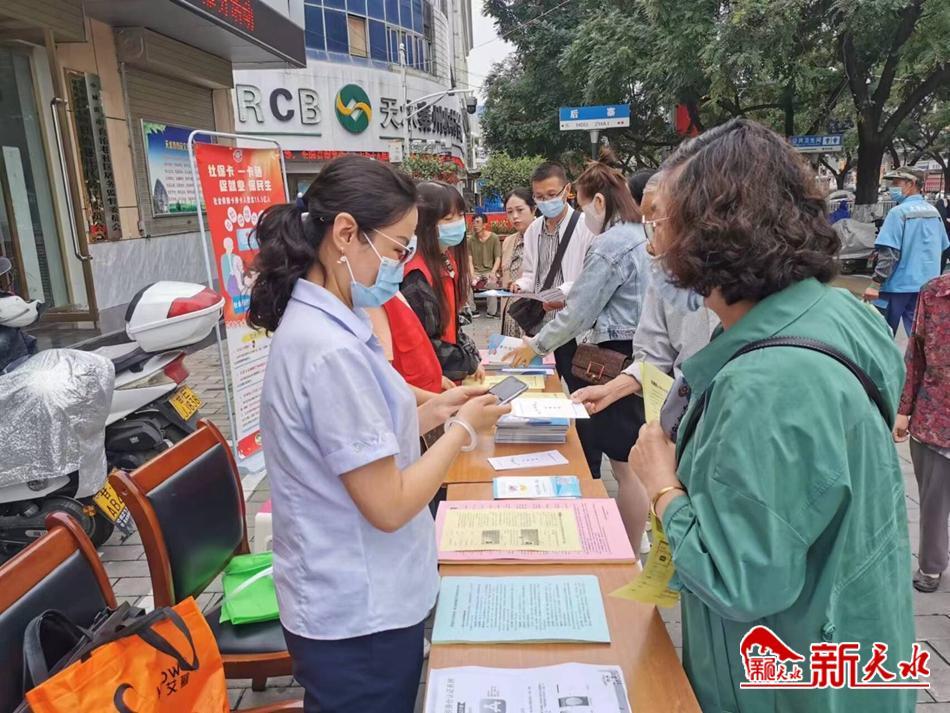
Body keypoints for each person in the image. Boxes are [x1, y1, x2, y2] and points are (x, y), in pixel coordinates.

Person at [628, 119, 914, 712]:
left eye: (661, 223)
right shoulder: (834, 313)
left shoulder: (766, 384)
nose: (654, 245)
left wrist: (662, 488)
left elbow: (742, 579)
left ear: (711, 230)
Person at [250, 156, 509, 713]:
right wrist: (461, 430)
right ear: (346, 234)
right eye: (396, 248)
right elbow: (388, 504)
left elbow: (358, 439)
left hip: (363, 596)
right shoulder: (329, 350)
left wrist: (438, 409)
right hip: (357, 613)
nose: (401, 263)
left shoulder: (332, 324)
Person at [506, 158, 651, 537]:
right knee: (626, 461)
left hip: (612, 357)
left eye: (585, 207)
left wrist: (536, 346)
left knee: (624, 465)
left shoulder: (610, 245)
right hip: (634, 354)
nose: (585, 217)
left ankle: (628, 549)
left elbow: (578, 313)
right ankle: (632, 543)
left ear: (598, 202)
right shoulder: (640, 235)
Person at [511, 162, 596, 379]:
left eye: (551, 195)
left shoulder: (586, 226)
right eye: (539, 197)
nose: (546, 202)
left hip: (571, 327)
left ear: (567, 190)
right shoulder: (534, 229)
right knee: (541, 384)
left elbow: (591, 280)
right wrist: (520, 285)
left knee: (576, 385)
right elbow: (531, 274)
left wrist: (561, 292)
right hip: (539, 325)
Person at [894, 273, 950, 593]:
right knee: (933, 502)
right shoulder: (935, 292)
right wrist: (904, 409)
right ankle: (931, 564)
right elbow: (915, 353)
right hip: (936, 418)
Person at [403, 181, 484, 382]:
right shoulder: (416, 274)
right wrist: (468, 362)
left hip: (448, 375)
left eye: (460, 215)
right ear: (424, 224)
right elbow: (424, 342)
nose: (458, 223)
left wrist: (472, 356)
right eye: (448, 218)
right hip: (430, 380)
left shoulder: (446, 259)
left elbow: (453, 325)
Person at [863, 167, 948, 335]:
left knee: (881, 334)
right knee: (917, 336)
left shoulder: (898, 213)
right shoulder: (934, 212)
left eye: (896, 183)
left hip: (896, 286)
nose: (892, 187)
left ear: (911, 184)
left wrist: (875, 284)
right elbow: (943, 248)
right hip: (925, 286)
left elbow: (889, 253)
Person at [366, 292, 451, 395]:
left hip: (430, 391)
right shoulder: (373, 304)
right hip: (419, 400)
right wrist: (440, 400)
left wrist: (438, 379)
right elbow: (386, 382)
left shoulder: (391, 294)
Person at [499, 188, 535, 338]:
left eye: (520, 210)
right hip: (510, 313)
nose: (514, 216)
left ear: (533, 209)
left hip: (533, 314)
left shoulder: (545, 238)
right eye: (509, 212)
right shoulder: (509, 241)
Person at [467, 212, 502, 317]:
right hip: (476, 271)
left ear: (485, 224)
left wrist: (493, 272)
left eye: (478, 222)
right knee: (465, 281)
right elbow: (470, 260)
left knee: (492, 282)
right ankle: (472, 310)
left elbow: (498, 258)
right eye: (473, 222)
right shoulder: (470, 240)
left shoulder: (494, 238)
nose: (475, 225)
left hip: (489, 270)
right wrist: (472, 274)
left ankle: (491, 312)